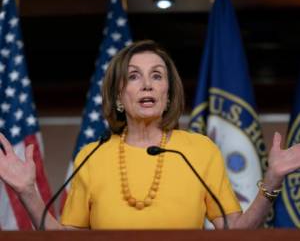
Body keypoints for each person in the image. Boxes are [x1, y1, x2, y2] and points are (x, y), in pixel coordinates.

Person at [0, 40, 300, 230]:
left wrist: (272, 179)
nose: (147, 85)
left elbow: (236, 232)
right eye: (133, 76)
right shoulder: (91, 156)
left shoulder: (197, 150)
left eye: (157, 76)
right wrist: (27, 191)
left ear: (167, 94)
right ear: (119, 96)